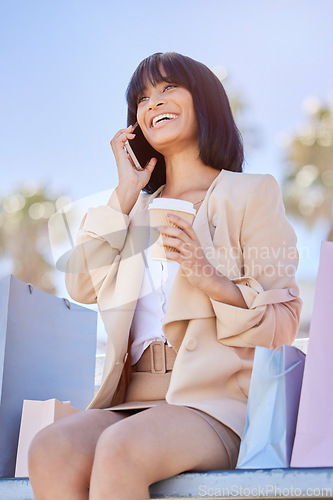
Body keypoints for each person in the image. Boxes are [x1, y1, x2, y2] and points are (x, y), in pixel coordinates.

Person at [28, 52, 302, 499]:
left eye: (169, 87)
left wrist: (207, 274)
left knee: (120, 449)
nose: (154, 102)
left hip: (216, 404)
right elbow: (81, 284)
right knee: (51, 448)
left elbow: (284, 320)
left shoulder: (250, 194)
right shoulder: (131, 209)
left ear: (205, 100)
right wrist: (124, 193)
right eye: (142, 98)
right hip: (134, 400)